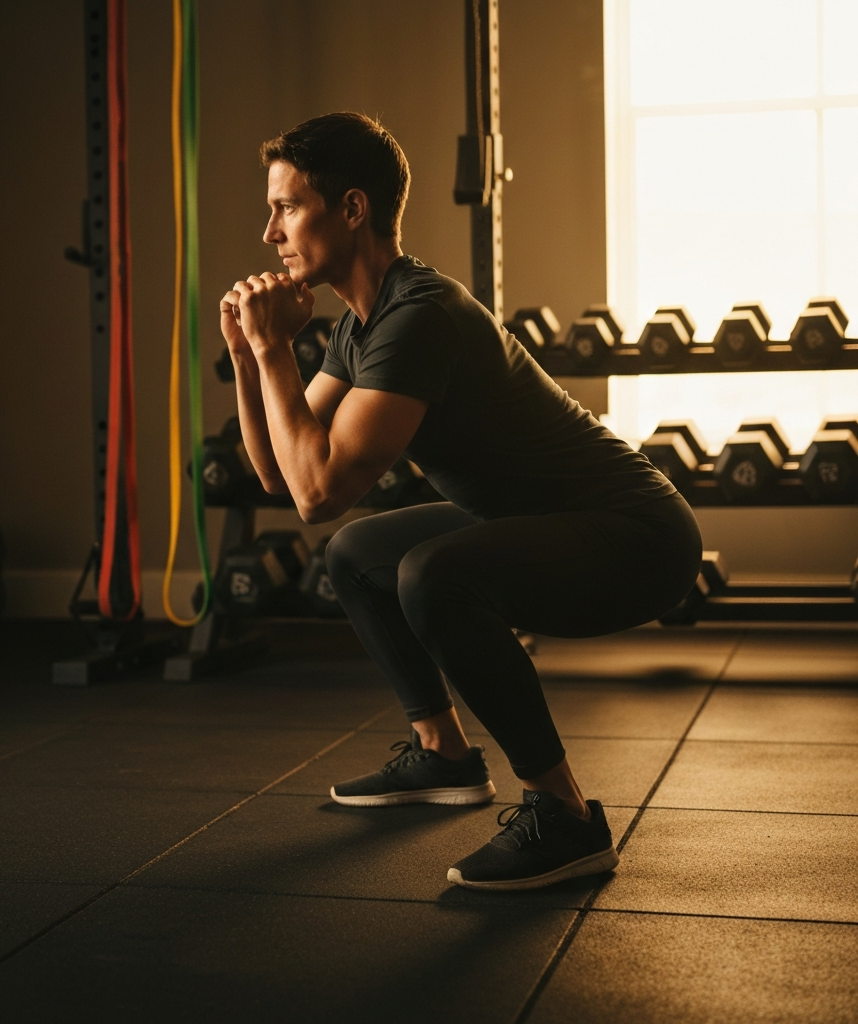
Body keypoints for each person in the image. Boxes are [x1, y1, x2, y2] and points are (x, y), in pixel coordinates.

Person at [219, 111, 701, 891]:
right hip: (535, 521)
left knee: (431, 574)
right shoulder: (361, 326)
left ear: (352, 208)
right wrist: (249, 357)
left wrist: (275, 347)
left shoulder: (419, 317)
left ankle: (566, 815)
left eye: (287, 206)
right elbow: (277, 475)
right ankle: (441, 752)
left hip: (637, 538)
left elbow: (316, 492)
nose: (269, 230)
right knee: (358, 556)